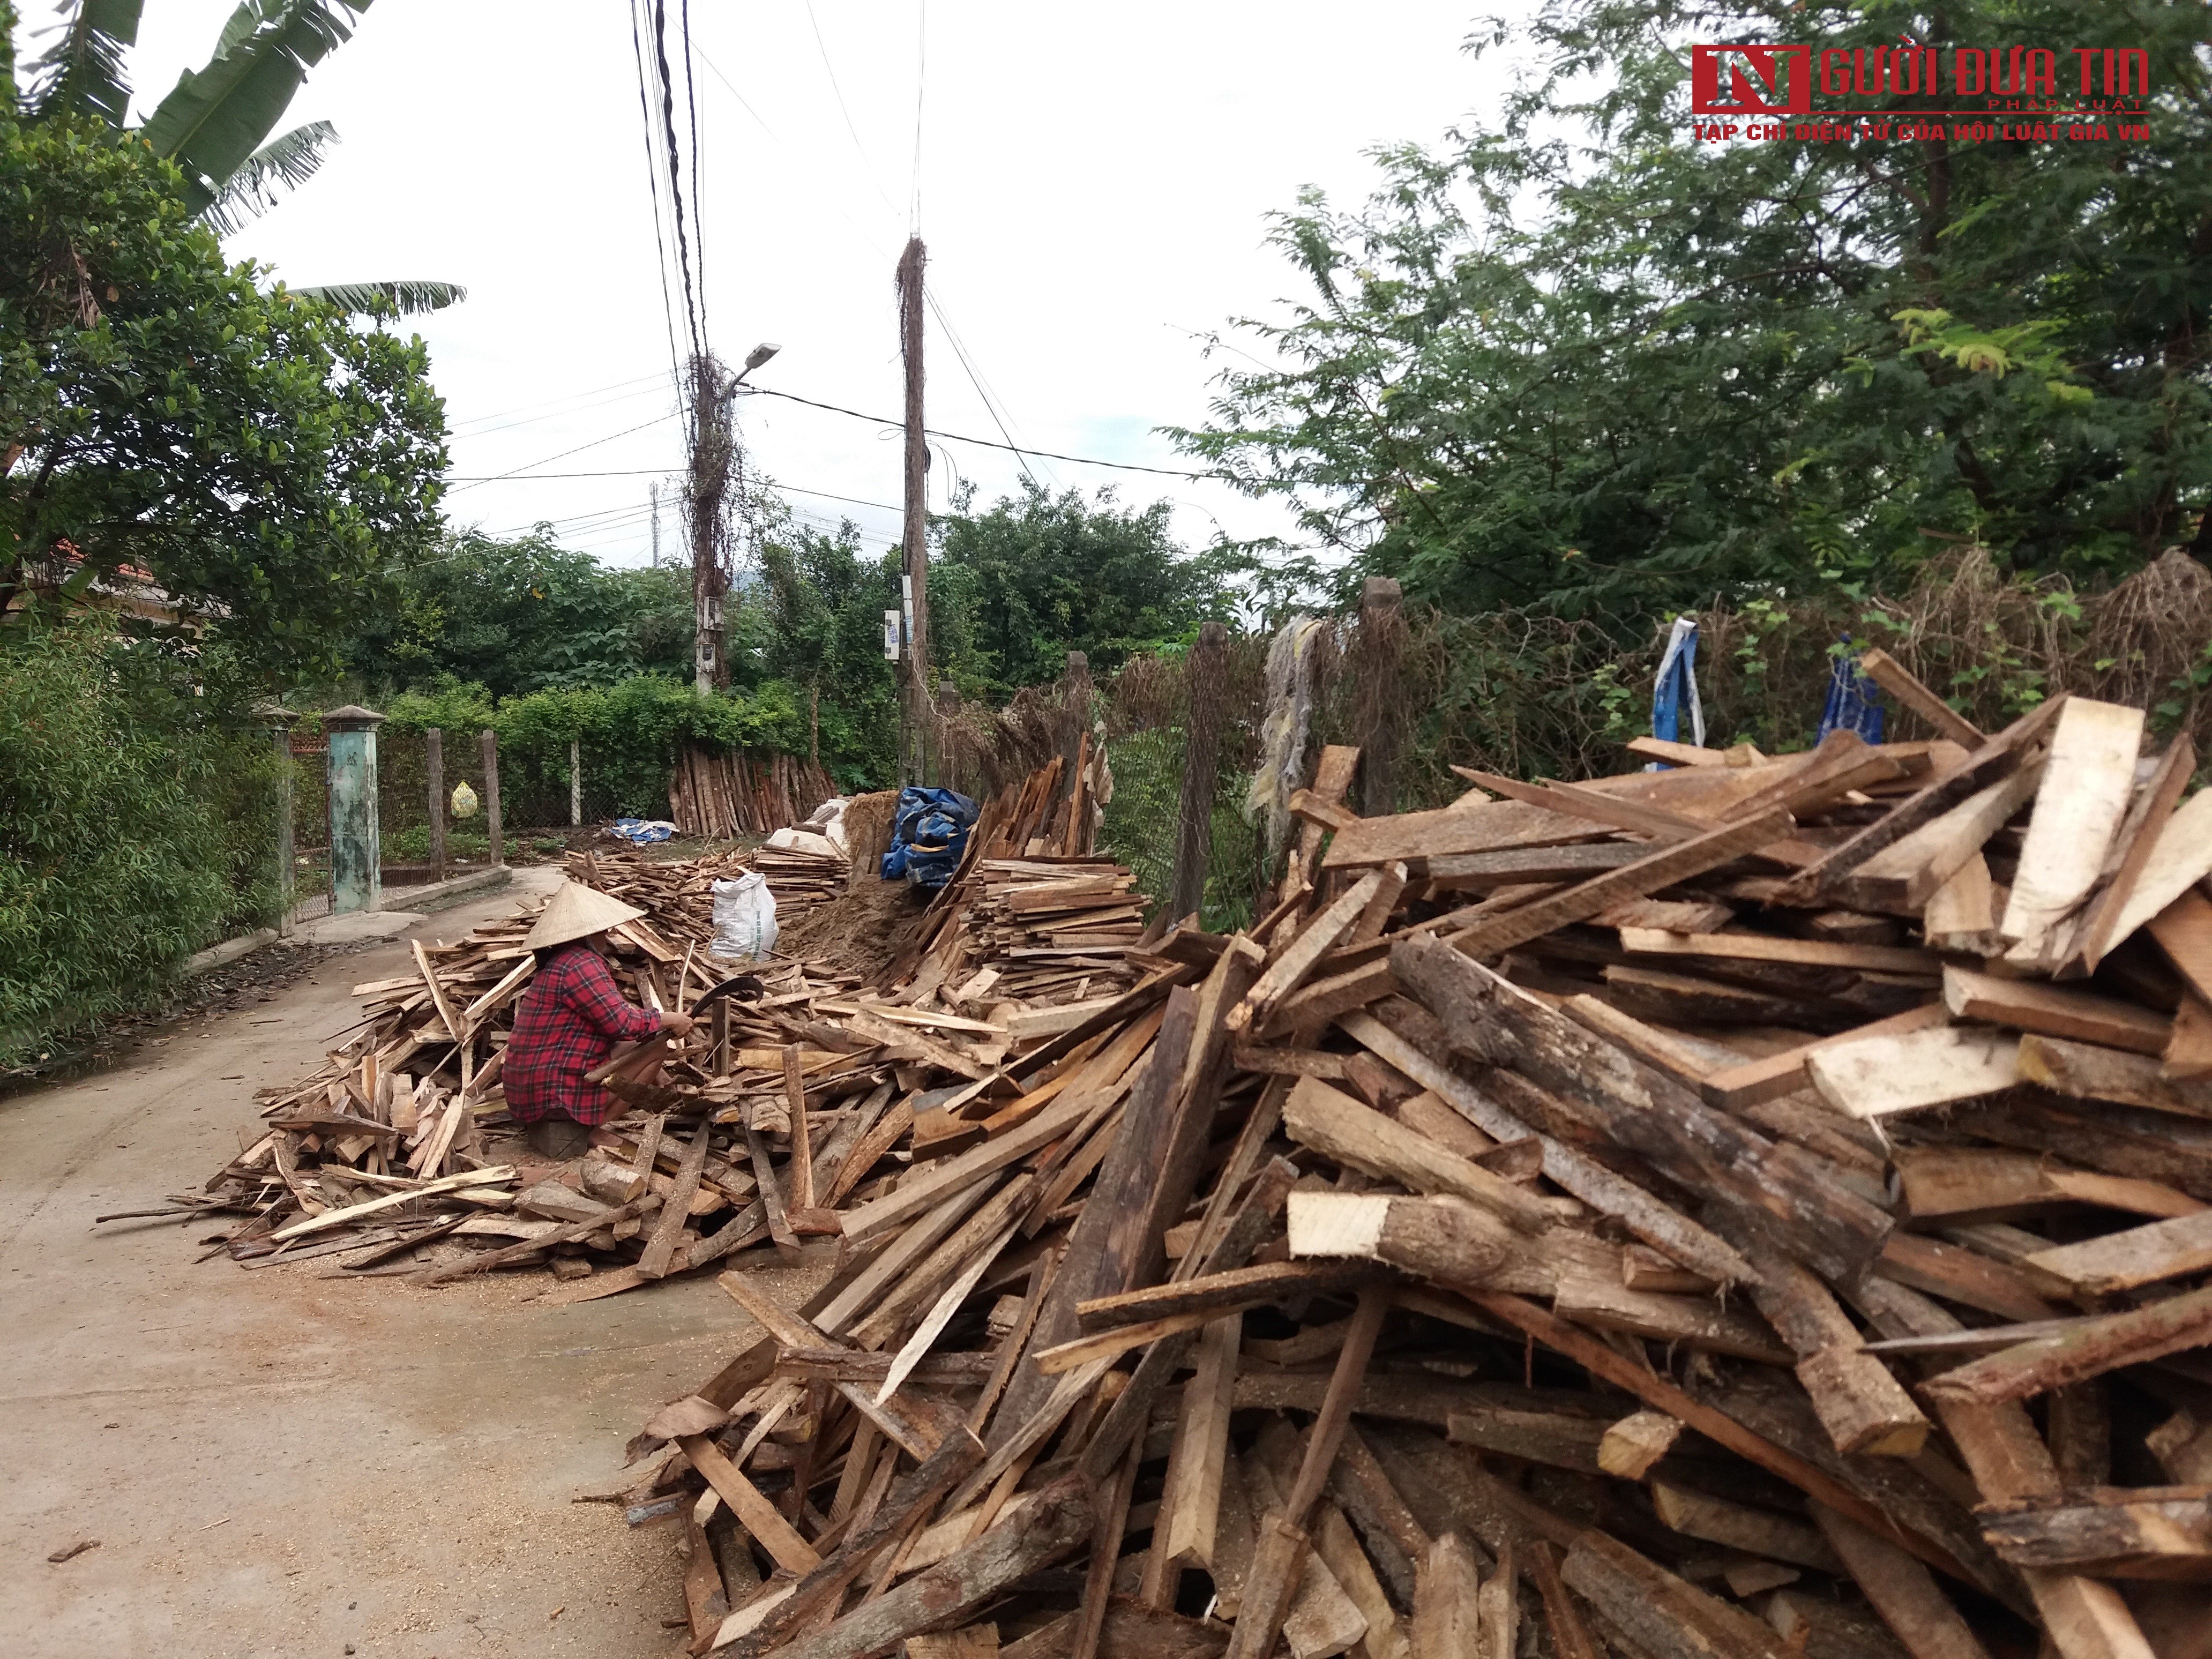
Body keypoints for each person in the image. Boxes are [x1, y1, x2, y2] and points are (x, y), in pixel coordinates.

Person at [504, 880, 694, 1160]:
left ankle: (595, 1121)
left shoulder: (562, 962)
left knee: (643, 1044)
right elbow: (623, 1024)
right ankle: (598, 1129)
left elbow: (613, 1020)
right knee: (658, 1048)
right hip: (551, 1093)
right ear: (588, 934)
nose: (606, 935)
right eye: (602, 930)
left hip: (531, 1090)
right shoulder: (581, 964)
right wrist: (669, 1020)